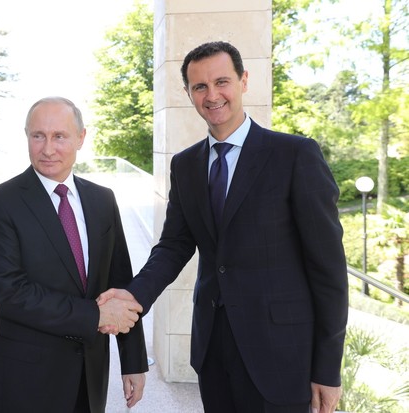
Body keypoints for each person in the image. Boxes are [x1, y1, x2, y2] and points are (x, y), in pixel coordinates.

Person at [98, 41, 348, 413]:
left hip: (281, 356)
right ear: (188, 93)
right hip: (214, 349)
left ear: (244, 80)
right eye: (200, 87)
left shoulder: (295, 155)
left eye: (222, 81)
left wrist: (327, 369)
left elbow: (328, 269)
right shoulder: (185, 165)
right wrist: (134, 296)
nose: (212, 95)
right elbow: (174, 246)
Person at [0, 96, 148, 413]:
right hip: (25, 379)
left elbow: (120, 283)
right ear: (26, 136)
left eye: (60, 136)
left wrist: (133, 361)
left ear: (81, 138)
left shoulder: (103, 200)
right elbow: (10, 294)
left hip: (89, 377)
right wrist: (95, 316)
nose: (47, 148)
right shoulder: (0, 203)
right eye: (38, 135)